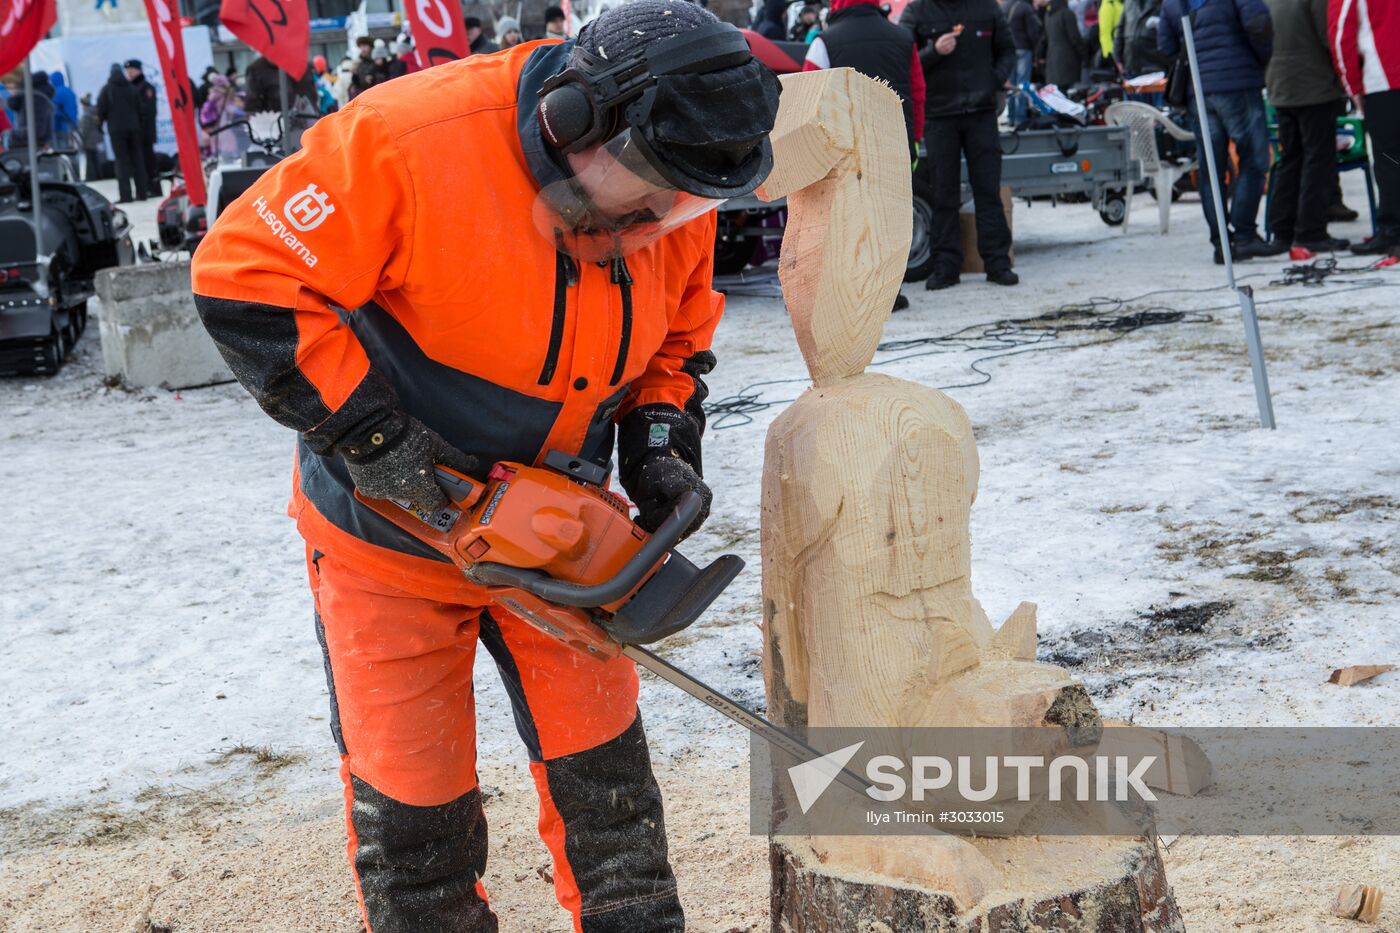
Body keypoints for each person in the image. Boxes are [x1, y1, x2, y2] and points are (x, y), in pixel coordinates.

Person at [189, 2, 780, 930]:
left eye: (683, 204)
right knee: (415, 813)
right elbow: (244, 275)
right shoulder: (406, 141)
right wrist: (376, 443)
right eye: (649, 194)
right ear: (577, 121)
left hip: (560, 530)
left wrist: (659, 437)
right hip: (389, 538)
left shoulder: (677, 169)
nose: (662, 219)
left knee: (610, 796)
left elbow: (678, 334)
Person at [901, 0, 1019, 288]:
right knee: (944, 193)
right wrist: (934, 52)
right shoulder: (917, 11)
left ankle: (997, 263)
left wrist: (993, 80)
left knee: (988, 191)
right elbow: (905, 59)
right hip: (939, 115)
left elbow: (1008, 51)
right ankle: (946, 266)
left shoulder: (987, 7)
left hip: (981, 112)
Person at [1159, 0, 1282, 262]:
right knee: (1254, 160)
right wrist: (1259, 60)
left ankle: (1221, 244)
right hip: (1237, 83)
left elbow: (1165, 45)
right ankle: (1245, 236)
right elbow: (1258, 23)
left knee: (1210, 170)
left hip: (1198, 91)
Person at [1263, 0, 1347, 252]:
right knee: (1318, 160)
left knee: (1290, 158)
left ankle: (1283, 230)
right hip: (1313, 85)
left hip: (1281, 85)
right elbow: (1329, 36)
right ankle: (1311, 231)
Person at [1329, 0, 1399, 256]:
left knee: (1390, 159)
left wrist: (1352, 87)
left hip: (1384, 78)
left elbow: (1341, 36)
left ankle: (1392, 230)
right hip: (1385, 74)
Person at [97, 64, 150, 202]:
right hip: (134, 129)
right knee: (138, 160)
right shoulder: (132, 88)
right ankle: (142, 193)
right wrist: (140, 125)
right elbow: (141, 109)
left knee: (121, 161)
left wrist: (99, 126)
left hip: (116, 130)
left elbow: (100, 110)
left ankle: (126, 196)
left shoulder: (107, 89)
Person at [124, 60, 161, 197]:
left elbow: (149, 110)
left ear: (138, 70)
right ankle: (145, 187)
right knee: (140, 163)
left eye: (132, 70)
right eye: (128, 71)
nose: (129, 73)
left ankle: (154, 188)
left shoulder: (146, 87)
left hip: (145, 132)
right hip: (136, 132)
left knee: (149, 161)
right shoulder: (130, 87)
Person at [1005, 0, 1044, 124]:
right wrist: (1037, 51)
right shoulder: (1026, 8)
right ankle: (1020, 117)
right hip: (1023, 49)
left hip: (1009, 49)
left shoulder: (1006, 6)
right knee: (1023, 84)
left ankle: (1010, 116)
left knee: (1011, 84)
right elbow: (1033, 33)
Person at [200, 73, 248, 160]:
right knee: (228, 143)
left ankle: (220, 158)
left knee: (219, 144)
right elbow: (230, 107)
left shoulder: (213, 94)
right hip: (224, 123)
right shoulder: (225, 94)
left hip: (216, 126)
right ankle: (229, 158)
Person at [7, 69, 55, 150]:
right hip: (31, 147)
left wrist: (12, 134)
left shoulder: (34, 95)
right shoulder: (26, 94)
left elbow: (37, 130)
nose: (7, 86)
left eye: (8, 82)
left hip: (33, 148)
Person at [1045, 0, 1088, 86]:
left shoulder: (1048, 15)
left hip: (1052, 63)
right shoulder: (1067, 14)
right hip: (1068, 63)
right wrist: (1085, 54)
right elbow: (1075, 38)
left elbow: (1045, 37)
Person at [49, 71, 79, 149]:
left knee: (61, 150)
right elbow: (75, 109)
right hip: (72, 125)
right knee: (71, 148)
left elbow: (54, 111)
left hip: (60, 128)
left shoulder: (56, 93)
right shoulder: (70, 92)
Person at [1098, 0, 1123, 67]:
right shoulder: (1109, 4)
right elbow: (1105, 34)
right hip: (1115, 54)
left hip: (1124, 52)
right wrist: (1112, 57)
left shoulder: (1124, 3)